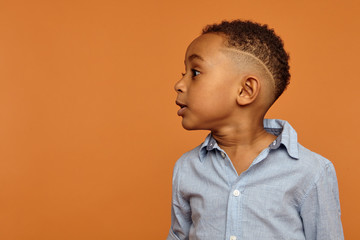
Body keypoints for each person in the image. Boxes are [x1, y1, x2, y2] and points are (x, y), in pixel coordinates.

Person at [167, 20, 344, 240]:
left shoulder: (312, 171)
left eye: (194, 73)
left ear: (246, 90)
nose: (179, 84)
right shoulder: (187, 168)